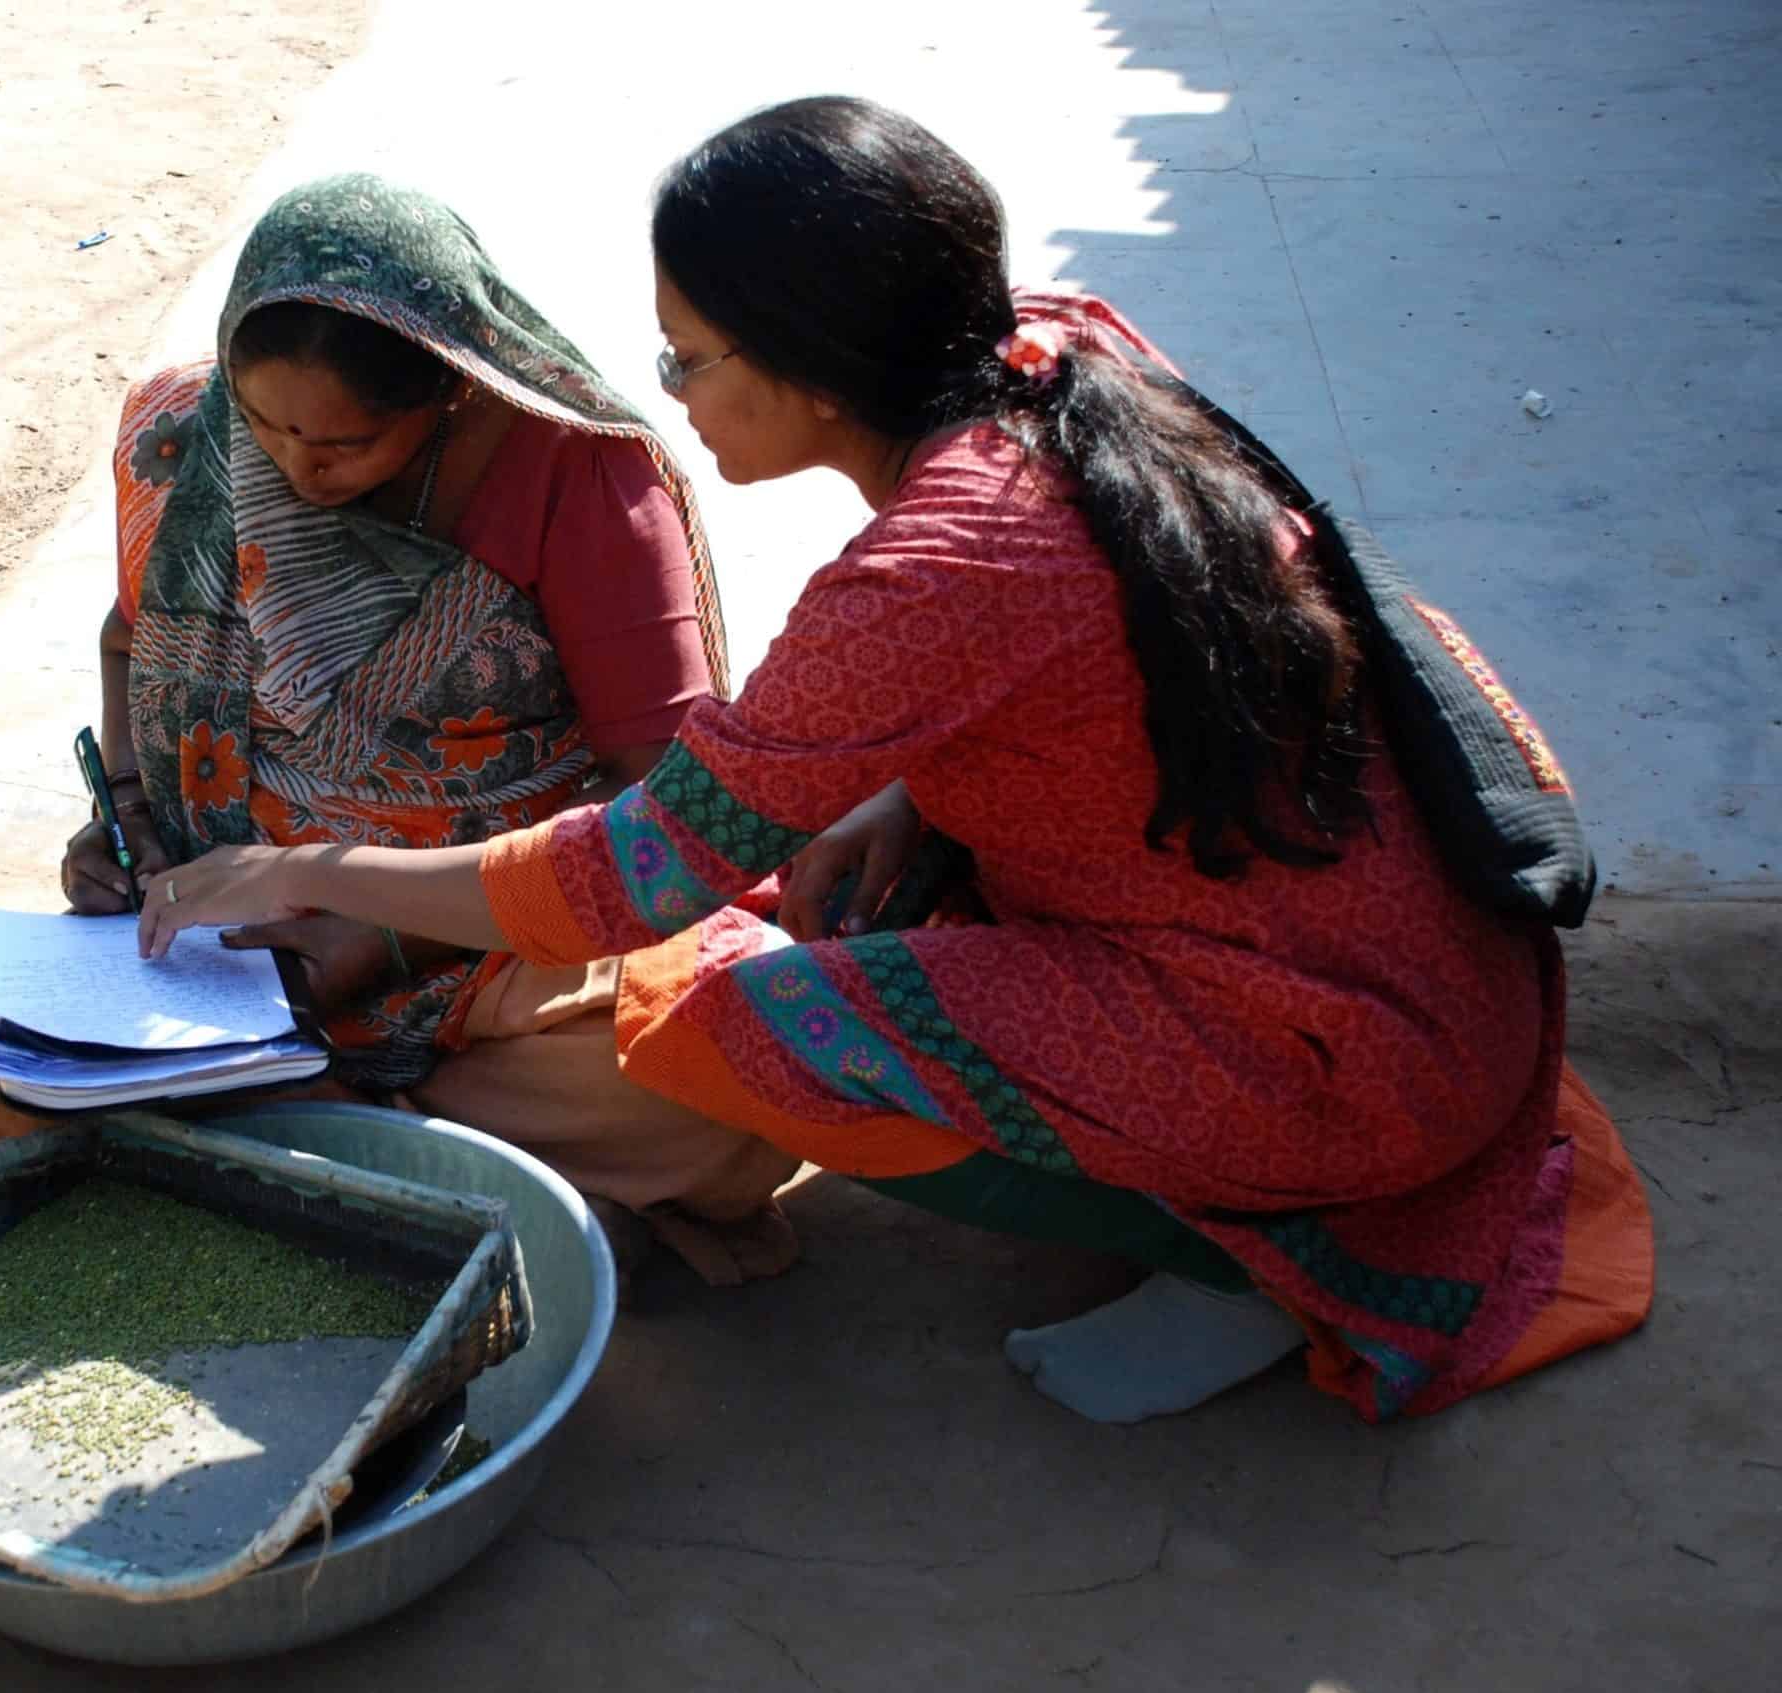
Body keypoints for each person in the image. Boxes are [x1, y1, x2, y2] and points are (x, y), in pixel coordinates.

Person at [133, 99, 1656, 1423]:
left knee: (734, 1024)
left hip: (1338, 1050)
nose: (669, 394)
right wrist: (919, 785)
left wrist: (304, 869)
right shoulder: (1058, 355)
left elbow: (635, 872)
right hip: (1410, 966)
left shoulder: (919, 574)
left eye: (689, 357)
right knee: (832, 890)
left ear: (806, 367)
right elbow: (1097, 649)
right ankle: (1209, 1174)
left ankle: (1262, 1256)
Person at [0, 174, 801, 1284]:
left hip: (491, 943)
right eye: (264, 422)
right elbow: (132, 642)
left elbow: (662, 791)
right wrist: (125, 814)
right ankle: (447, 1190)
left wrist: (396, 930)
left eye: (349, 443)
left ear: (453, 392)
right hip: (214, 946)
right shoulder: (185, 436)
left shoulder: (578, 478)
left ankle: (272, 1165)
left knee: (755, 1043)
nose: (294, 466)